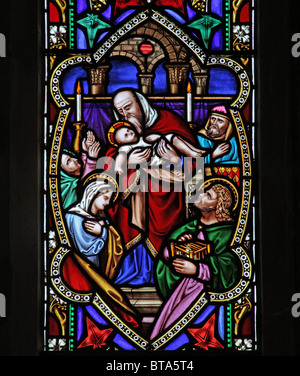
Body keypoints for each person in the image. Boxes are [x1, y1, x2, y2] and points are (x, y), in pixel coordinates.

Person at [104, 89, 199, 285]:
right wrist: (130, 161)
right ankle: (136, 270)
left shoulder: (169, 122)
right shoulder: (122, 137)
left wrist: (175, 160)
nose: (125, 115)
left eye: (128, 107)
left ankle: (171, 272)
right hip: (136, 206)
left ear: (140, 102)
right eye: (119, 111)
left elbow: (196, 170)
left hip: (171, 198)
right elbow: (111, 170)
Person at [150, 180, 239, 338]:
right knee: (166, 328)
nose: (201, 195)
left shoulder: (228, 233)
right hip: (180, 291)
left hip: (204, 294)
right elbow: (165, 256)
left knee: (177, 330)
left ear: (218, 205)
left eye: (208, 195)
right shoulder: (189, 227)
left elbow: (230, 268)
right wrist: (177, 250)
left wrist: (198, 270)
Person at [64, 173, 139, 327]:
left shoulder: (98, 219)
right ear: (92, 194)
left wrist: (103, 231)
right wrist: (103, 234)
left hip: (97, 270)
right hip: (85, 273)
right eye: (105, 198)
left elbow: (116, 243)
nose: (108, 203)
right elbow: (88, 249)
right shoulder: (75, 217)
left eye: (110, 199)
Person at [107, 121, 205, 175]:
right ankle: (191, 153)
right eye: (126, 135)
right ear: (123, 143)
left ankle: (192, 151)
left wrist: (157, 137)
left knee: (171, 136)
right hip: (157, 161)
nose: (129, 132)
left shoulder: (142, 138)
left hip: (161, 150)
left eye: (128, 130)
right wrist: (118, 166)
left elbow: (156, 138)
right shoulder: (127, 147)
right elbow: (121, 156)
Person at [60, 130, 101, 209]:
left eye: (71, 156)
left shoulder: (77, 175)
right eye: (68, 161)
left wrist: (86, 151)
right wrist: (91, 159)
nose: (74, 159)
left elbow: (83, 172)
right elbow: (85, 184)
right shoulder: (70, 188)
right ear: (65, 173)